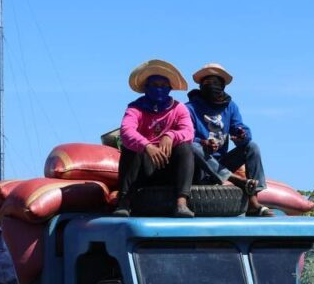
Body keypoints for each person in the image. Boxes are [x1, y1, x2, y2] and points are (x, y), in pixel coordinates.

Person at [186, 63, 273, 217]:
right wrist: (202, 143)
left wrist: (242, 135)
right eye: (208, 82)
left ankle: (253, 201)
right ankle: (234, 179)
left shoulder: (230, 107)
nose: (212, 86)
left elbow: (241, 128)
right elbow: (185, 136)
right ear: (201, 86)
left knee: (252, 147)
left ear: (223, 86)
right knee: (192, 146)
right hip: (199, 168)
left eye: (216, 82)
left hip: (222, 162)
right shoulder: (189, 108)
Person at [114, 59, 196, 218]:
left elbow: (188, 131)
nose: (159, 89)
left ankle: (181, 203)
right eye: (154, 85)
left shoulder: (179, 108)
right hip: (144, 168)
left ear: (170, 88)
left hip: (169, 167)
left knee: (186, 147)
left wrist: (170, 135)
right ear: (146, 87)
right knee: (131, 148)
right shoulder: (135, 108)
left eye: (163, 85)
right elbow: (126, 131)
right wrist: (147, 146)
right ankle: (124, 201)